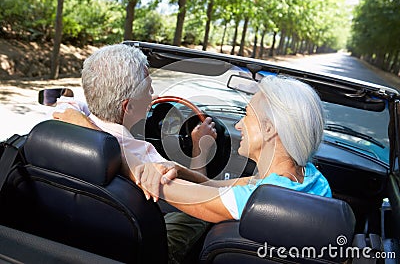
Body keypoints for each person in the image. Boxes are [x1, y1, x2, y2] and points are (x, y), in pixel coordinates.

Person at [52, 44, 217, 264]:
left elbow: (68, 103)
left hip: (72, 233)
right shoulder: (145, 157)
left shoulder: (63, 123)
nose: (154, 95)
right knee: (196, 216)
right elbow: (204, 195)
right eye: (149, 89)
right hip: (138, 250)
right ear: (128, 107)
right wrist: (200, 149)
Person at [131, 75, 332, 224]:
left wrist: (135, 168)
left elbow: (186, 195)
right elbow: (215, 186)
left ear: (269, 129)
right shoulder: (311, 179)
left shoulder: (260, 199)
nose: (238, 125)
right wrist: (177, 168)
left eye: (246, 115)